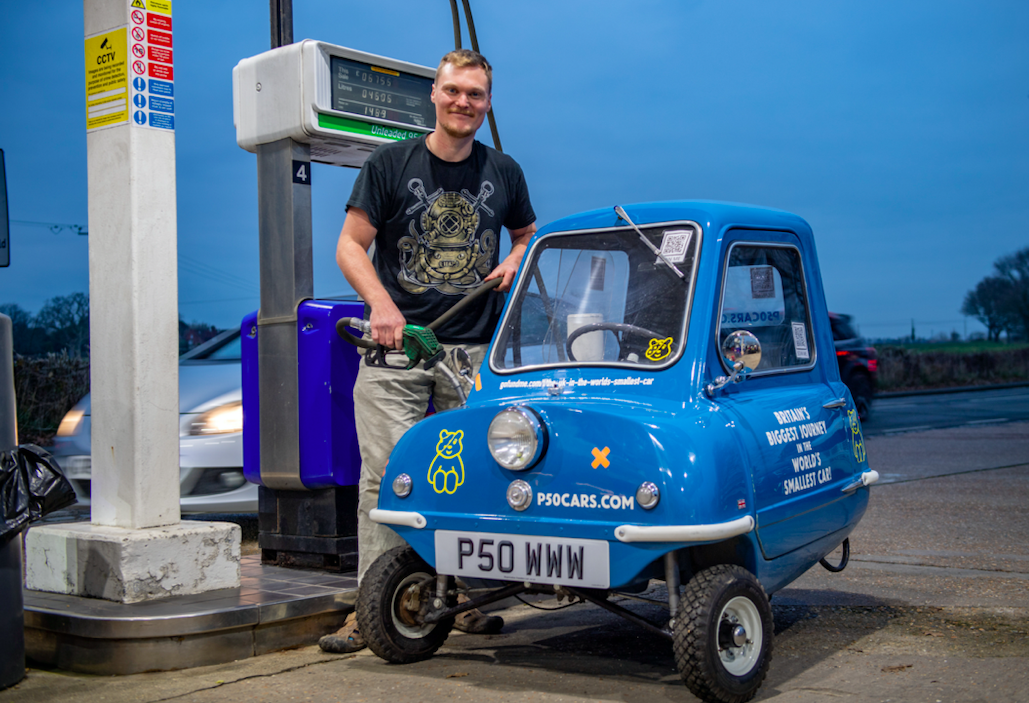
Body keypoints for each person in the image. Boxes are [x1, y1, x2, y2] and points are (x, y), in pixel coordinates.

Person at [319, 49, 536, 654]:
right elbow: (350, 246)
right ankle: (374, 610)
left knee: (471, 477)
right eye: (454, 91)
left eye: (476, 94)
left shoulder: (505, 171)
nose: (464, 102)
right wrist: (382, 307)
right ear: (434, 96)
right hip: (398, 351)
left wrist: (517, 257)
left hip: (473, 354)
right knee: (388, 481)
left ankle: (455, 601)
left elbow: (526, 235)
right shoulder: (390, 164)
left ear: (488, 104)